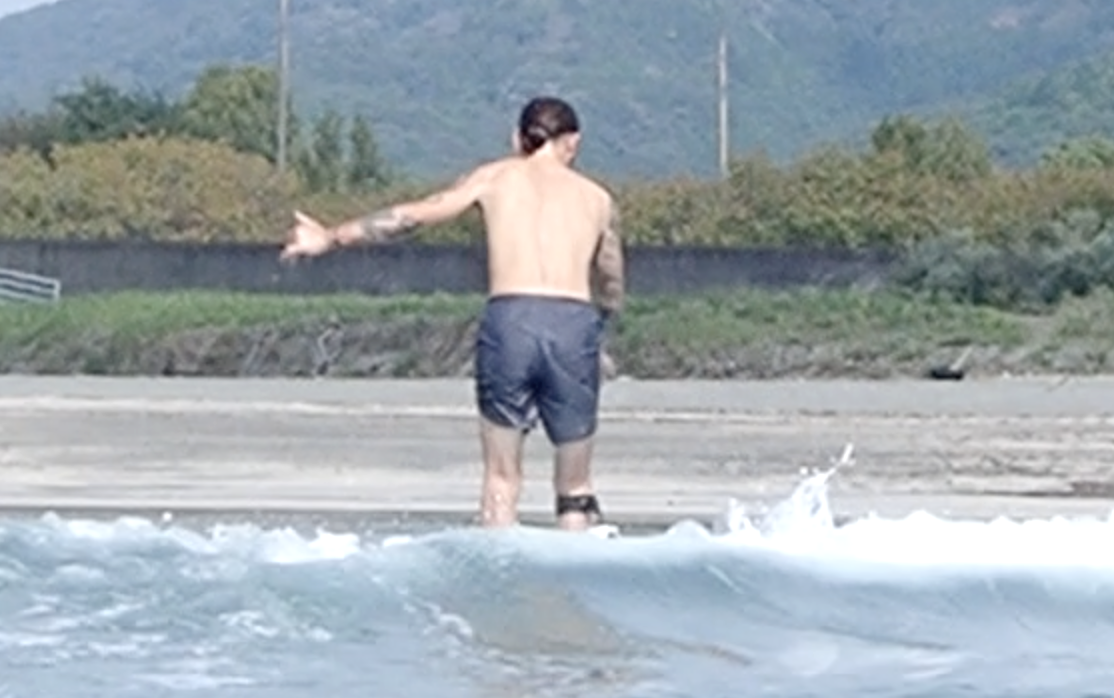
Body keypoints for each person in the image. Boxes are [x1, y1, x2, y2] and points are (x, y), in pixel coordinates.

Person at [279, 96, 625, 532]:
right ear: (573, 142)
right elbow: (611, 273)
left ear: (516, 139)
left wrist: (331, 236)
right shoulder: (598, 199)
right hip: (573, 322)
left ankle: (498, 566)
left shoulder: (493, 178)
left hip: (511, 320)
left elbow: (413, 216)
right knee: (575, 485)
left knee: (501, 479)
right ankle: (574, 562)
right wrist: (603, 322)